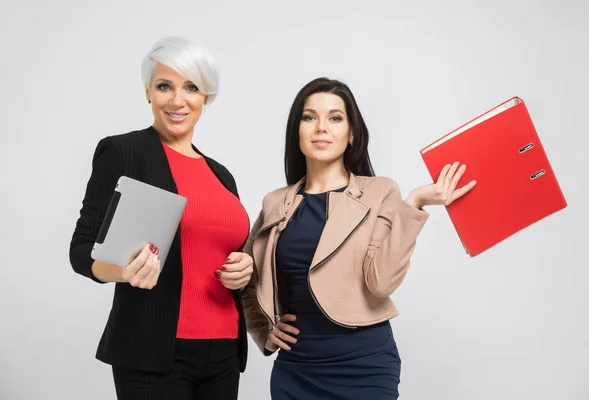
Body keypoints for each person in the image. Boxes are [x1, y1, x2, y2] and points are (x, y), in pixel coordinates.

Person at [243, 77, 476, 399]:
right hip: (296, 369)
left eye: (335, 118)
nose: (321, 127)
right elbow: (247, 276)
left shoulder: (380, 191)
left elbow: (380, 283)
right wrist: (263, 330)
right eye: (310, 117)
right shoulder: (275, 202)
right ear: (296, 131)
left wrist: (414, 205)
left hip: (363, 366)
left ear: (352, 134)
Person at [69, 36, 253, 399]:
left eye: (192, 88)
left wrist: (245, 267)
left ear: (206, 97)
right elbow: (81, 249)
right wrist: (124, 271)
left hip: (224, 350)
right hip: (152, 352)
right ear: (148, 92)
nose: (177, 100)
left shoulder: (222, 175)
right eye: (164, 86)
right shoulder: (124, 151)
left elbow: (220, 249)